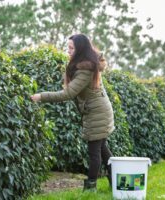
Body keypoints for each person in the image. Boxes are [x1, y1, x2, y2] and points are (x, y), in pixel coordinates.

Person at [31, 34, 114, 192]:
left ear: (80, 49)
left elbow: (68, 94)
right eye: (67, 47)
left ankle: (90, 188)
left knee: (94, 152)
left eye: (71, 48)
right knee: (103, 149)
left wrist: (41, 96)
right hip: (98, 110)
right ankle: (115, 180)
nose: (68, 51)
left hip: (97, 113)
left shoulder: (85, 69)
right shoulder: (85, 64)